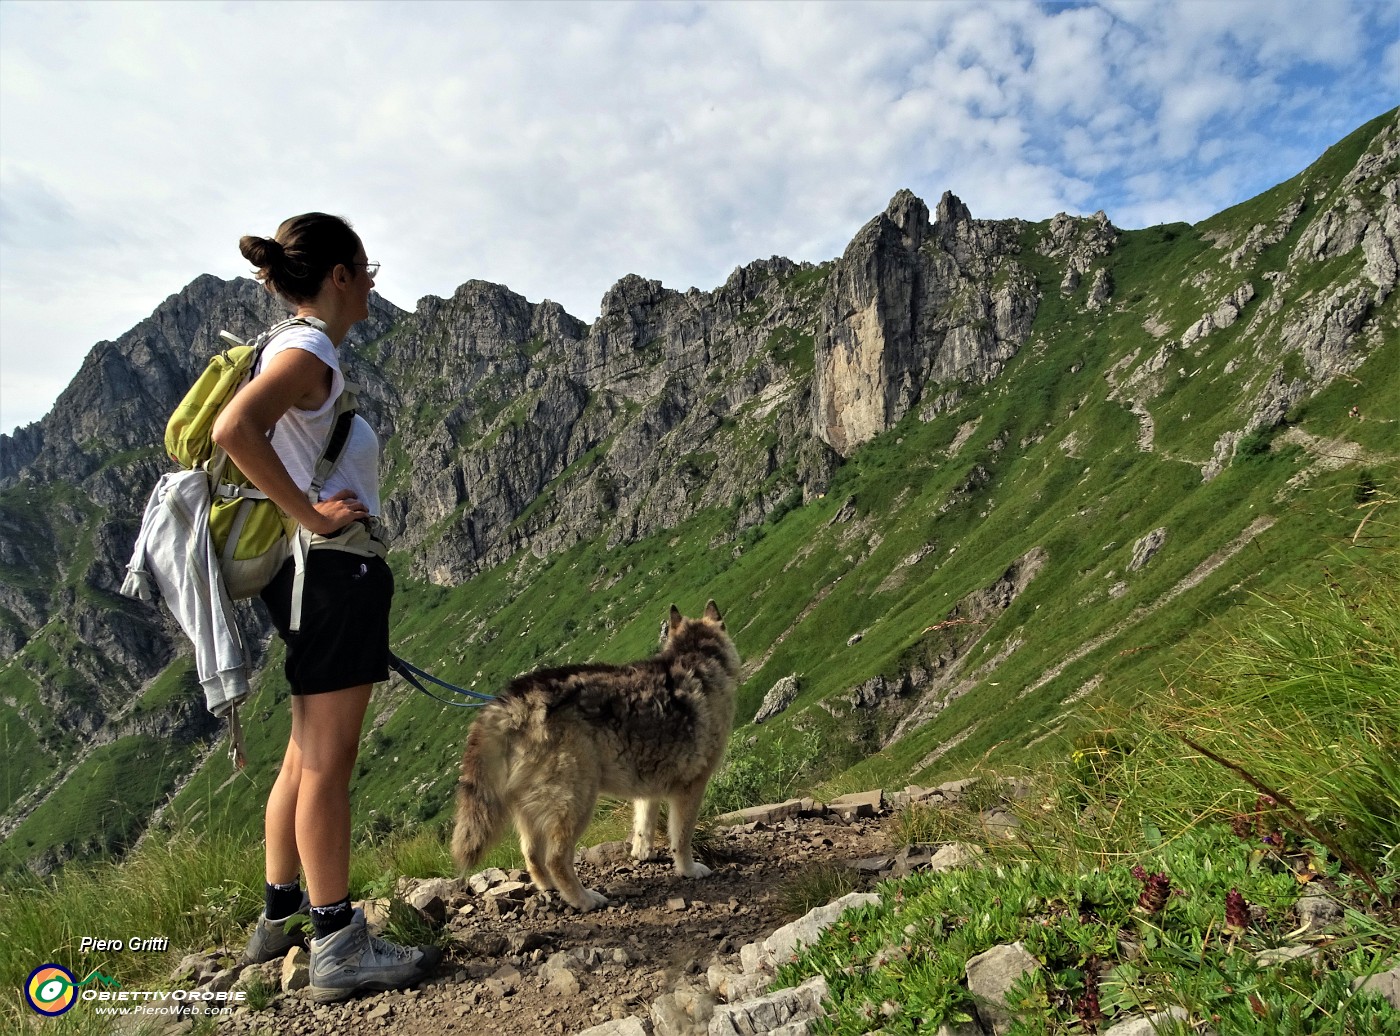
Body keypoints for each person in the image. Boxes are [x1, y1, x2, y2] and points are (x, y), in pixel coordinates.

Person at [213, 212, 435, 1002]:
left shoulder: (294, 349)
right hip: (333, 575)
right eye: (366, 267)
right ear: (339, 275)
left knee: (303, 757)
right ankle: (338, 941)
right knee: (328, 765)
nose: (373, 279)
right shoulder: (306, 348)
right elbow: (234, 428)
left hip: (311, 579)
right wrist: (312, 518)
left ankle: (279, 920)